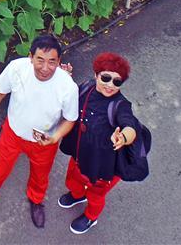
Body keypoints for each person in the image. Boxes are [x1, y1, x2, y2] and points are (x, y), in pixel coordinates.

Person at [0, 34, 78, 228]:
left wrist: (55, 137)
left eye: (52, 62)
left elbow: (70, 119)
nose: (45, 68)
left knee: (40, 176)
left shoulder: (68, 87)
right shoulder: (16, 69)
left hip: (44, 141)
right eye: (40, 60)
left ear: (59, 61)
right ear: (30, 57)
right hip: (12, 134)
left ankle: (36, 200)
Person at [57, 52, 138, 234]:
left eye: (117, 81)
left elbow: (130, 125)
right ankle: (78, 195)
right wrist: (66, 79)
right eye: (106, 78)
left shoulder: (120, 106)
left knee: (96, 194)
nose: (110, 85)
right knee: (74, 179)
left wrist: (123, 137)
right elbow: (71, 99)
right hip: (81, 153)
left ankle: (91, 217)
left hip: (103, 164)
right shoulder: (87, 87)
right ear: (96, 75)